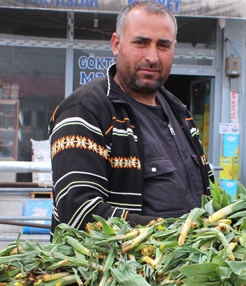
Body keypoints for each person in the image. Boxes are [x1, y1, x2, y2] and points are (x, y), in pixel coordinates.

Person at [49, 0, 213, 233]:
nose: (153, 57)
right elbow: (77, 214)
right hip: (117, 267)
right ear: (116, 44)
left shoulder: (179, 112)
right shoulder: (86, 110)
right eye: (141, 43)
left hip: (183, 264)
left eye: (163, 45)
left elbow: (206, 193)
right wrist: (179, 231)